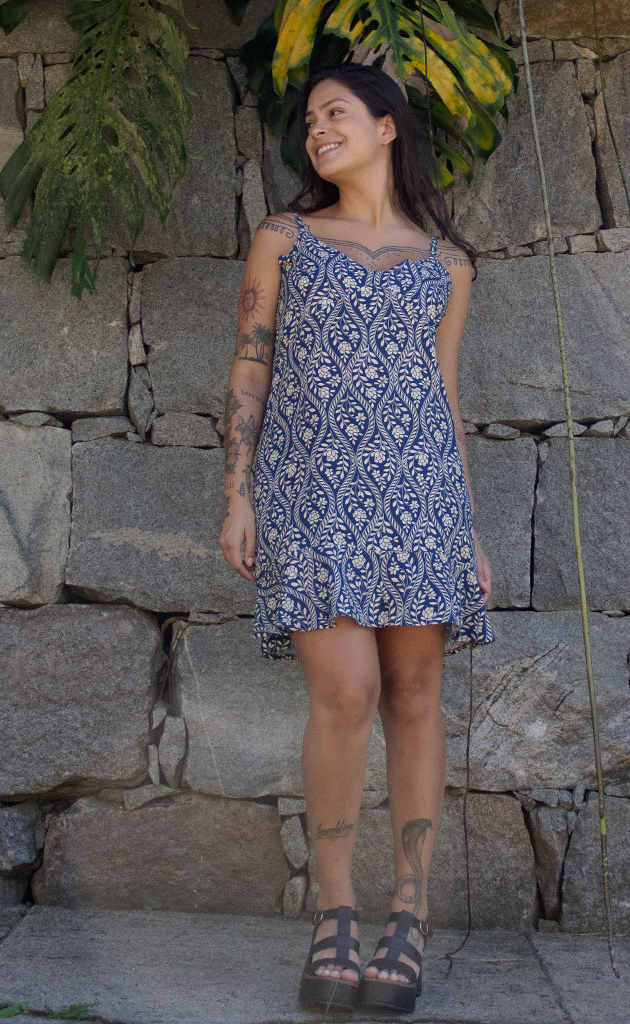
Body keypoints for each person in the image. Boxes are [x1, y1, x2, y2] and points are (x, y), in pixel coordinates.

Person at [218, 63, 494, 1014]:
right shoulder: (284, 239)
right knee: (345, 694)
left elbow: (444, 396)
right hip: (309, 493)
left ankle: (408, 919)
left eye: (335, 113)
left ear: (386, 126)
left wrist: (468, 527)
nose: (317, 130)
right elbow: (249, 367)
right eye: (309, 121)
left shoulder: (449, 263)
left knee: (415, 698)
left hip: (422, 500)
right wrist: (238, 494)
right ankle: (334, 913)